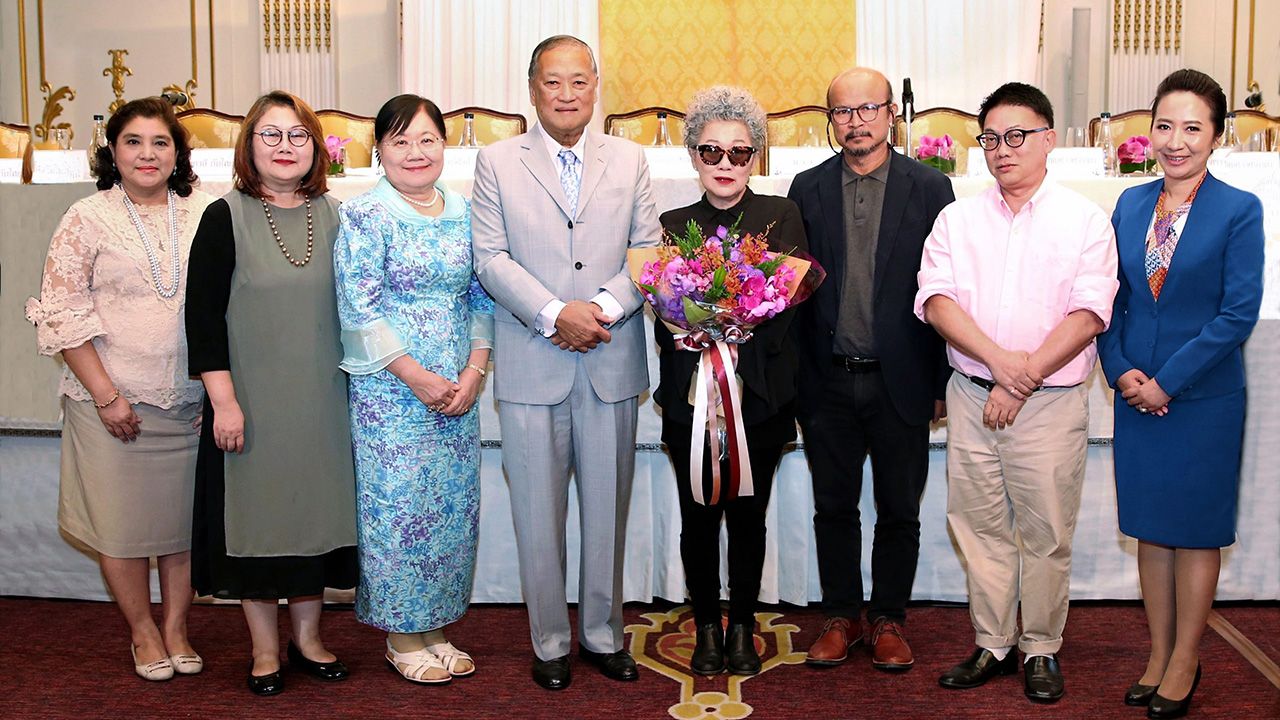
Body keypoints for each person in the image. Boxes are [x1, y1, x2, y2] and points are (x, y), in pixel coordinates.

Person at [915, 82, 1118, 704]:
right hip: (974, 396)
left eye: (1017, 136)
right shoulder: (957, 217)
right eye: (992, 138)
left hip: (1049, 404)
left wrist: (1021, 379)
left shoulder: (1082, 219)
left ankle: (1041, 649)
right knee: (980, 528)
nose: (1003, 150)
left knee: (1045, 531)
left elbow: (1089, 314)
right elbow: (935, 299)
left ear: (1048, 140)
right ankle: (993, 642)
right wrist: (1002, 366)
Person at [470, 34, 660, 691]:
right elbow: (489, 257)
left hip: (609, 359)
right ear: (532, 89)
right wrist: (555, 313)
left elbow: (649, 249)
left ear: (595, 84)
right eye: (553, 82)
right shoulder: (496, 162)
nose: (567, 93)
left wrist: (601, 309)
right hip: (532, 358)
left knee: (608, 511)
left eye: (578, 81)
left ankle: (604, 635)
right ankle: (549, 640)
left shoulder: (631, 159)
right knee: (537, 515)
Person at [25, 97, 213, 682]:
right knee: (124, 528)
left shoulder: (208, 212)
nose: (148, 154)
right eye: (134, 141)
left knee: (180, 527)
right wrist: (107, 397)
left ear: (178, 152)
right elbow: (60, 312)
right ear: (112, 150)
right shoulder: (86, 217)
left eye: (161, 142)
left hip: (190, 404)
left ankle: (178, 626)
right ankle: (142, 629)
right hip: (111, 402)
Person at [1097, 69, 1264, 719]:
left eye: (1192, 127)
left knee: (1193, 534)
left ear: (1216, 137)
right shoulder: (1130, 206)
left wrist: (1168, 381)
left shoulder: (1238, 210)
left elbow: (1236, 314)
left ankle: (1187, 657)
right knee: (1150, 532)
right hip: (1137, 392)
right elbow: (1109, 300)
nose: (1175, 140)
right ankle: (1157, 653)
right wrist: (1122, 372)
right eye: (1165, 125)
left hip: (1202, 400)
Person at [184, 91, 358, 696]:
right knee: (259, 527)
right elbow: (201, 322)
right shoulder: (222, 217)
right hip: (251, 404)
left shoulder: (339, 216)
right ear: (249, 147)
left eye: (298, 136)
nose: (286, 147)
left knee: (313, 525)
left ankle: (308, 639)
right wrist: (224, 402)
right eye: (271, 135)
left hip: (324, 406)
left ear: (316, 147)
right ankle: (263, 649)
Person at [788, 67, 954, 672]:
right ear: (830, 121)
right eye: (842, 111)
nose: (855, 121)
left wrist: (940, 383)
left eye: (867, 109)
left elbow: (947, 293)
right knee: (833, 505)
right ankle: (839, 614)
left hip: (901, 378)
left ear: (891, 115)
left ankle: (887, 617)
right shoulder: (805, 190)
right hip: (826, 379)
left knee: (898, 508)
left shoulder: (931, 189)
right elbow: (791, 292)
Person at [334, 94, 495, 685]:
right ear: (378, 151)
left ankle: (435, 624)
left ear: (444, 145)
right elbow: (360, 307)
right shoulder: (365, 215)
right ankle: (401, 633)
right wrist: (418, 377)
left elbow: (481, 298)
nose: (415, 152)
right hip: (392, 391)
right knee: (398, 509)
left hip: (459, 388)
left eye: (426, 139)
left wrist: (474, 372)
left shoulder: (467, 211)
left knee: (449, 509)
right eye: (399, 141)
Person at [652, 86, 807, 676]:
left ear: (756, 157)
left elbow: (790, 305)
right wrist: (694, 333)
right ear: (693, 155)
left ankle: (742, 622)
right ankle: (707, 628)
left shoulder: (781, 215)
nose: (725, 164)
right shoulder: (671, 225)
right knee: (698, 517)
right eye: (712, 151)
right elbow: (664, 313)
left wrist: (735, 337)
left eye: (739, 153)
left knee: (748, 513)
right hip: (691, 399)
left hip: (759, 395)